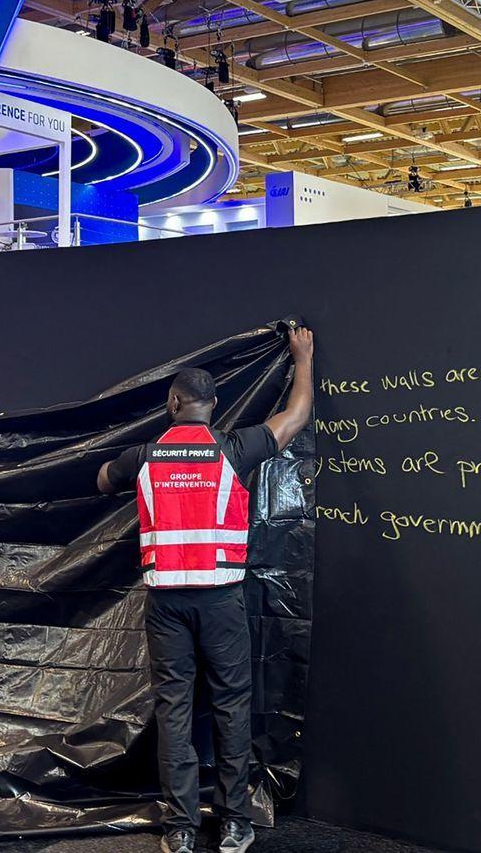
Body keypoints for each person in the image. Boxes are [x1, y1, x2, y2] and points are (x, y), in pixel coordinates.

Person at [96, 326, 314, 853]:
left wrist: (119, 465)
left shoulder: (144, 456)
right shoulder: (234, 449)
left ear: (172, 404)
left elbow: (102, 479)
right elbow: (296, 415)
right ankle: (235, 822)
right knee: (232, 707)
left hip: (166, 604)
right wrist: (303, 357)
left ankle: (180, 830)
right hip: (221, 601)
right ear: (213, 407)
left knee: (173, 711)